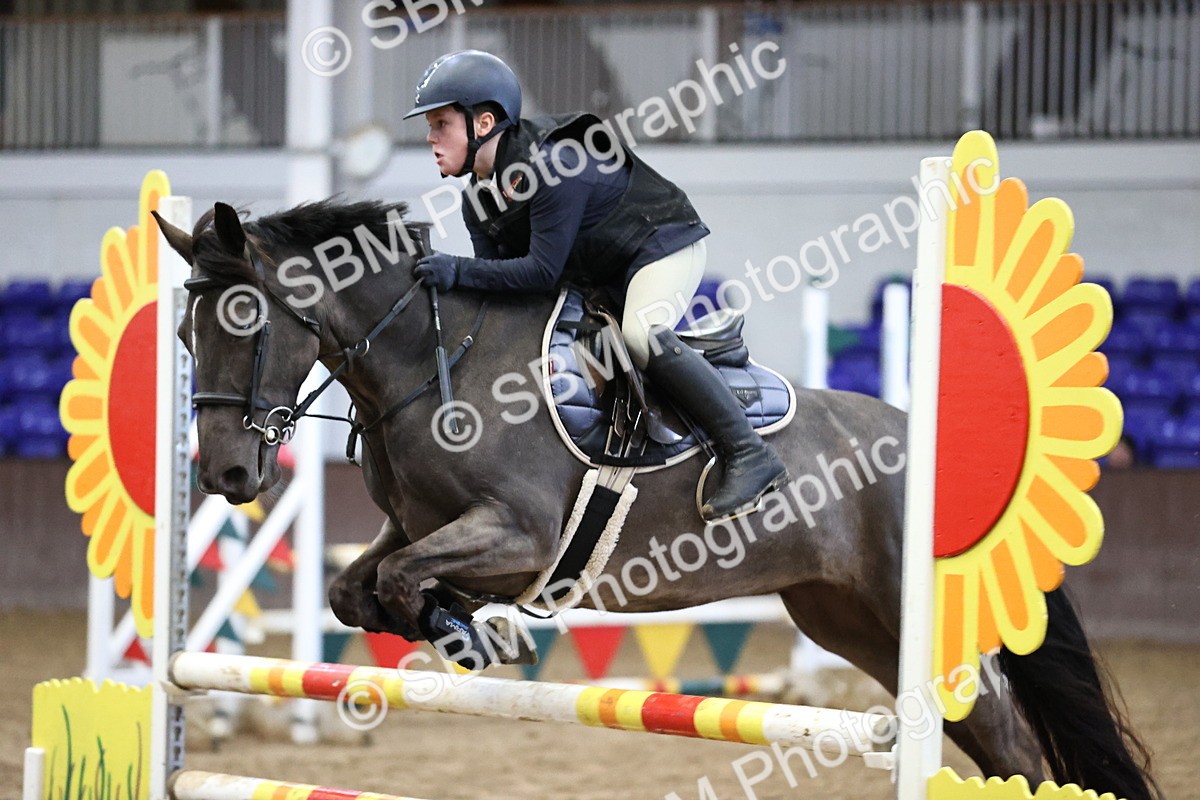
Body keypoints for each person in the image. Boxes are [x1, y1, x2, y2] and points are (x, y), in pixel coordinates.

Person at [406, 50, 787, 521]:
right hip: (602, 270)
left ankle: (750, 454)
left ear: (483, 122)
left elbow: (539, 273)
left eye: (440, 123)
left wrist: (456, 271)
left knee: (640, 336)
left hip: (659, 244)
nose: (429, 137)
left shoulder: (554, 164)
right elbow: (506, 294)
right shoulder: (477, 200)